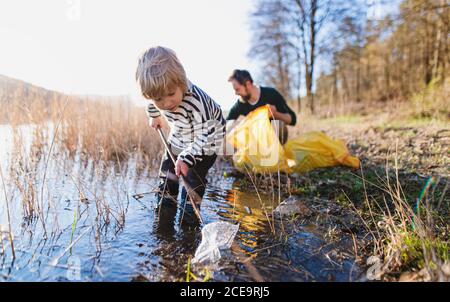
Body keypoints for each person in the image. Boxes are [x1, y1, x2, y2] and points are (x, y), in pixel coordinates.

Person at [135, 46, 225, 220]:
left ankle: (189, 219)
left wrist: (187, 157)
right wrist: (154, 117)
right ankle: (164, 213)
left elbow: (209, 134)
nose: (167, 103)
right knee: (168, 176)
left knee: (192, 179)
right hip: (180, 135)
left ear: (181, 82)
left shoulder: (197, 101)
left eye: (170, 94)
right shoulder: (156, 97)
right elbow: (151, 104)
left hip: (207, 139)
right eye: (158, 99)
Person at [226, 69, 297, 144]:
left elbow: (292, 119)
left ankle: (277, 153)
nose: (236, 93)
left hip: (273, 138)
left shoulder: (271, 94)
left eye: (237, 89)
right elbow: (226, 123)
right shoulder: (240, 104)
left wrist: (275, 113)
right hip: (254, 141)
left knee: (278, 125)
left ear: (248, 84)